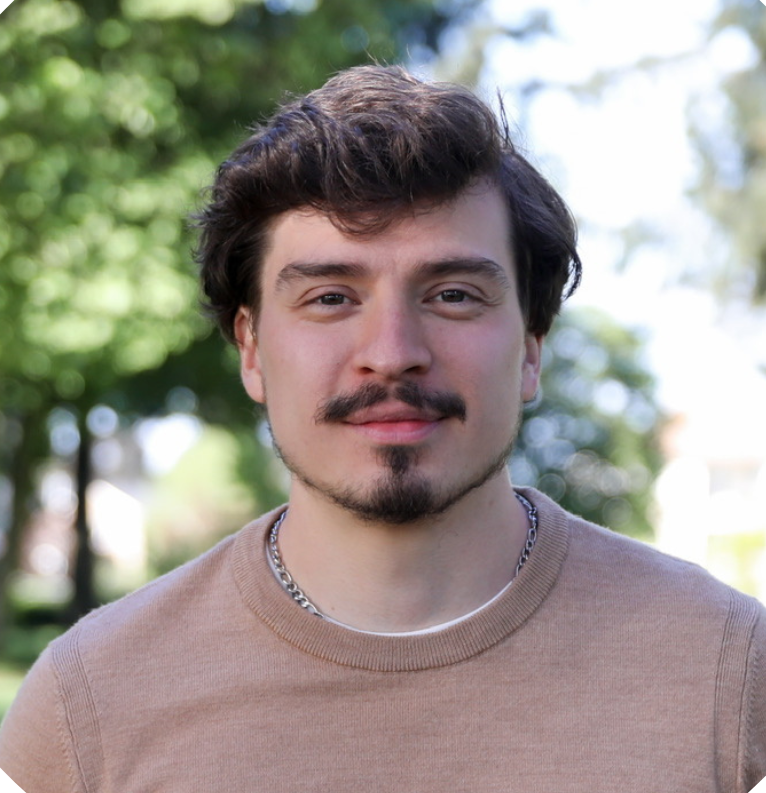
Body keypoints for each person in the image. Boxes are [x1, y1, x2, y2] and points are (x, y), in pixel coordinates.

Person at [1, 64, 764, 792]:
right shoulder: (86, 709)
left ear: (531, 349)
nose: (393, 354)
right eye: (331, 297)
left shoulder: (731, 679)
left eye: (455, 294)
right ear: (253, 349)